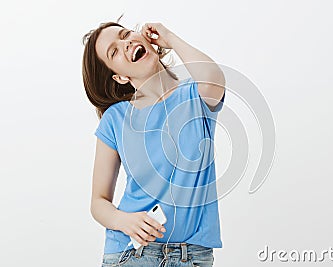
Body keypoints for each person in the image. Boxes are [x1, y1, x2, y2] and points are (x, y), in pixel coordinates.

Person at [82, 17, 226, 267]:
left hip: (192, 257)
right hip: (131, 254)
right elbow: (98, 202)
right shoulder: (115, 119)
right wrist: (123, 221)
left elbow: (215, 79)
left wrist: (169, 37)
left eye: (126, 34)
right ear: (120, 78)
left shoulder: (196, 95)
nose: (125, 43)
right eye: (114, 51)